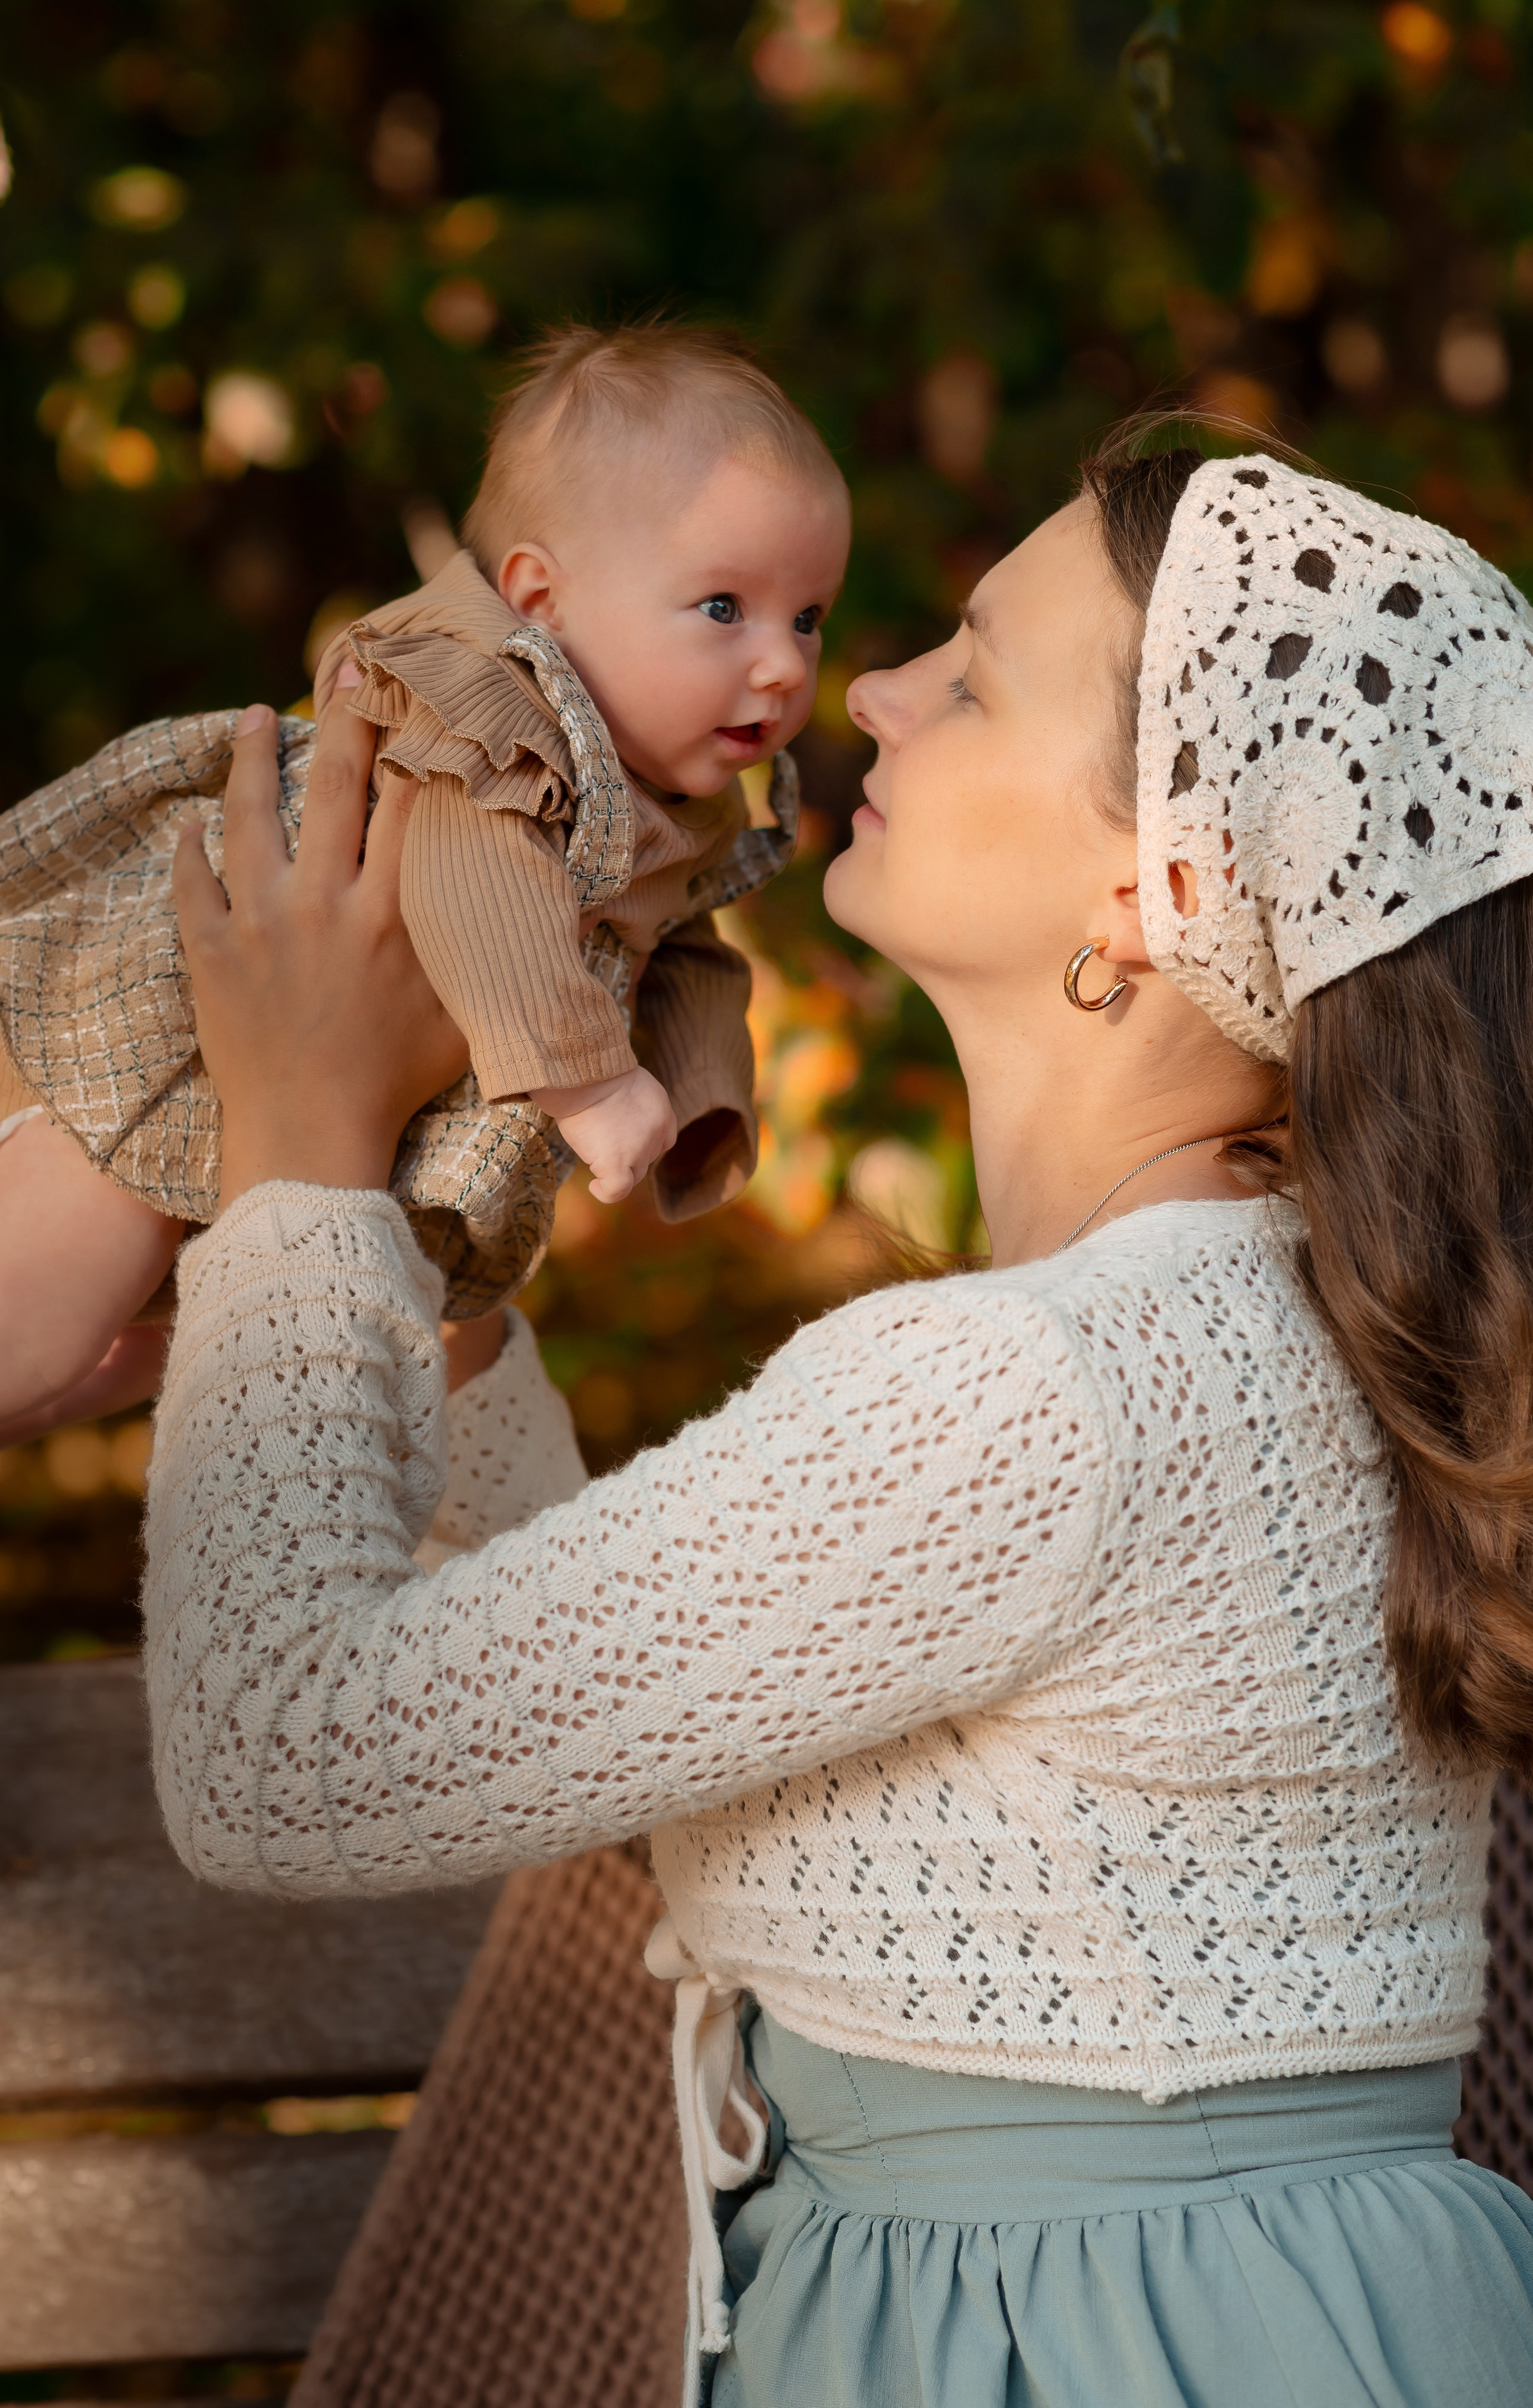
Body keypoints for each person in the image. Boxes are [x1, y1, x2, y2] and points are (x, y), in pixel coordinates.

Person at [141, 426, 1533, 2408]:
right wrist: (426, 1264)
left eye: (972, 675)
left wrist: (293, 1152)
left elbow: (275, 1762)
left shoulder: (1034, 1389)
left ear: (1161, 885)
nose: (868, 689)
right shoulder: (1304, 1321)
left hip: (1071, 2351)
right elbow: (608, 1682)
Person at [0, 323, 849, 1466]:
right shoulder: (487, 718)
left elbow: (685, 954)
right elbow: (479, 886)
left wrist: (704, 1100)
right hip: (109, 1066)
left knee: (123, 1354)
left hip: (254, 1120)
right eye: (725, 607)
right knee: (12, 1346)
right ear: (541, 601)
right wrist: (594, 1083)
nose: (783, 664)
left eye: (807, 617)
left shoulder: (665, 806)